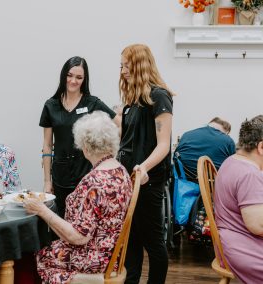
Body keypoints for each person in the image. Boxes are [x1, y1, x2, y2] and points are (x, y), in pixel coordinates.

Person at [24, 111, 132, 284]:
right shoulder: (121, 171)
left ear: (86, 147)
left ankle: (89, 280)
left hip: (94, 258)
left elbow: (79, 237)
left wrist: (41, 210)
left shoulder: (94, 182)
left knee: (37, 254)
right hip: (112, 253)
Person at [117, 44, 174, 284]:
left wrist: (144, 168)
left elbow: (163, 145)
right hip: (131, 181)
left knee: (153, 242)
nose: (122, 71)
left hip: (149, 183)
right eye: (121, 66)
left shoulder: (159, 96)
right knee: (131, 241)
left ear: (139, 64)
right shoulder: (132, 101)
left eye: (126, 65)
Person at [39, 56, 120, 218]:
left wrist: (110, 155)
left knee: (85, 222)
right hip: (60, 176)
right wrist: (47, 181)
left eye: (79, 77)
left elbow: (119, 124)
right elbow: (47, 146)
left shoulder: (92, 103)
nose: (73, 81)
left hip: (86, 174)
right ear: (63, 76)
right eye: (69, 75)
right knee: (62, 220)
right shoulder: (51, 105)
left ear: (84, 79)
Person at [214, 115, 263, 283]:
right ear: (261, 147)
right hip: (244, 249)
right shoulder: (250, 174)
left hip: (229, 243)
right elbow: (257, 226)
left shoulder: (231, 162)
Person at [174, 117, 236, 182]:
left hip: (183, 182)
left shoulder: (186, 134)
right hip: (211, 185)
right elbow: (234, 167)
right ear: (225, 131)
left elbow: (176, 156)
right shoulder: (228, 140)